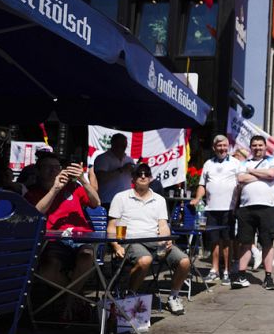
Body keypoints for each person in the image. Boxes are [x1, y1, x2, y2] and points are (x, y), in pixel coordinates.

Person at [107, 163, 191, 315]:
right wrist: (116, 246)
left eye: (146, 173)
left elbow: (163, 225)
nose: (143, 176)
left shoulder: (159, 199)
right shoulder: (121, 197)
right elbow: (112, 226)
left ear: (151, 178)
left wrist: (166, 238)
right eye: (139, 174)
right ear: (133, 178)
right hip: (131, 240)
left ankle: (173, 297)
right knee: (145, 260)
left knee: (184, 261)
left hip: (155, 241)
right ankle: (130, 295)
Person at [24, 153, 100, 320]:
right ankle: (77, 300)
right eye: (48, 167)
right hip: (53, 241)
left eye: (57, 167)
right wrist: (55, 189)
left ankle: (68, 301)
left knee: (87, 256)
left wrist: (83, 180)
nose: (53, 170)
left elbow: (96, 202)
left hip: (81, 238)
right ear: (38, 170)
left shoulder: (73, 187)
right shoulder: (33, 192)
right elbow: (36, 213)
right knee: (46, 270)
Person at [235, 135, 274, 290]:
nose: (257, 148)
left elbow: (272, 174)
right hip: (246, 208)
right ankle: (241, 275)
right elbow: (241, 178)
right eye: (254, 145)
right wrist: (261, 175)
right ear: (251, 147)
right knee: (245, 243)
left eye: (260, 145)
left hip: (268, 208)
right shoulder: (244, 163)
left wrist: (252, 172)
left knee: (267, 243)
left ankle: (268, 277)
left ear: (265, 146)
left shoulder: (273, 161)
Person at [191, 135, 240, 284]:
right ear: (214, 148)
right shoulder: (208, 164)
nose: (222, 148)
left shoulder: (236, 163)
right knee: (213, 240)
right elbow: (202, 185)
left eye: (225, 145)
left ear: (228, 147)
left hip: (229, 208)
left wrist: (238, 204)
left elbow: (241, 184)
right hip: (211, 209)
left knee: (227, 240)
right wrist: (197, 198)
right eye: (219, 146)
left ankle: (226, 271)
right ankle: (214, 270)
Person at [93, 133, 134, 209]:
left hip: (127, 201)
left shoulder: (129, 160)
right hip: (109, 200)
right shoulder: (103, 158)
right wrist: (121, 169)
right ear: (112, 144)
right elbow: (101, 177)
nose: (122, 147)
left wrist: (135, 171)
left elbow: (133, 180)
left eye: (124, 145)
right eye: (119, 144)